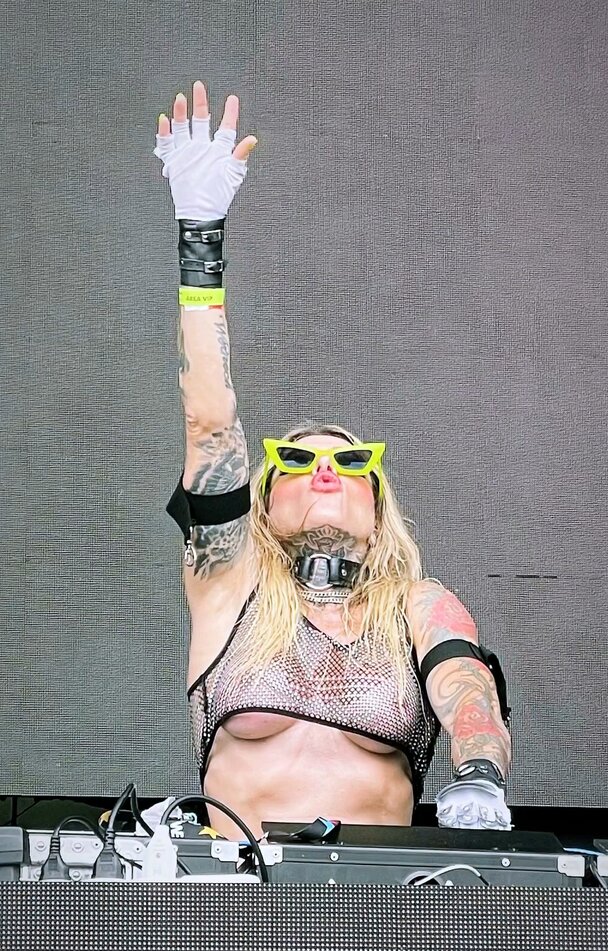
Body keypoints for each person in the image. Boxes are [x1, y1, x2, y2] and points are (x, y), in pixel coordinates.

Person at [154, 80, 512, 841]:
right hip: (232, 897)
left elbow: (463, 682)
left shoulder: (415, 605)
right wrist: (200, 236)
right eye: (296, 461)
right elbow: (210, 419)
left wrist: (480, 768)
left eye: (351, 466)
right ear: (262, 501)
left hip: (380, 904)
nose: (325, 471)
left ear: (379, 510)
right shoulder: (231, 588)